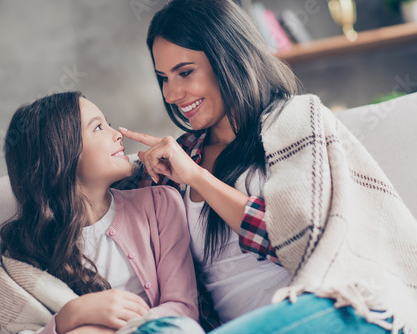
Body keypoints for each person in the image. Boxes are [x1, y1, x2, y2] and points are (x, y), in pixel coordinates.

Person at [114, 0, 417, 333]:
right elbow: (99, 216)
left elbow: (301, 240)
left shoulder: (296, 121)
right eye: (163, 79)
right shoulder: (180, 158)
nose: (172, 94)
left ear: (227, 57)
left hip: (335, 307)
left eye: (185, 72)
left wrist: (199, 178)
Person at [0, 91, 200, 334]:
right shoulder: (27, 248)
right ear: (61, 154)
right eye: (98, 127)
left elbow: (182, 308)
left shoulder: (160, 204)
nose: (117, 134)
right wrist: (68, 317)